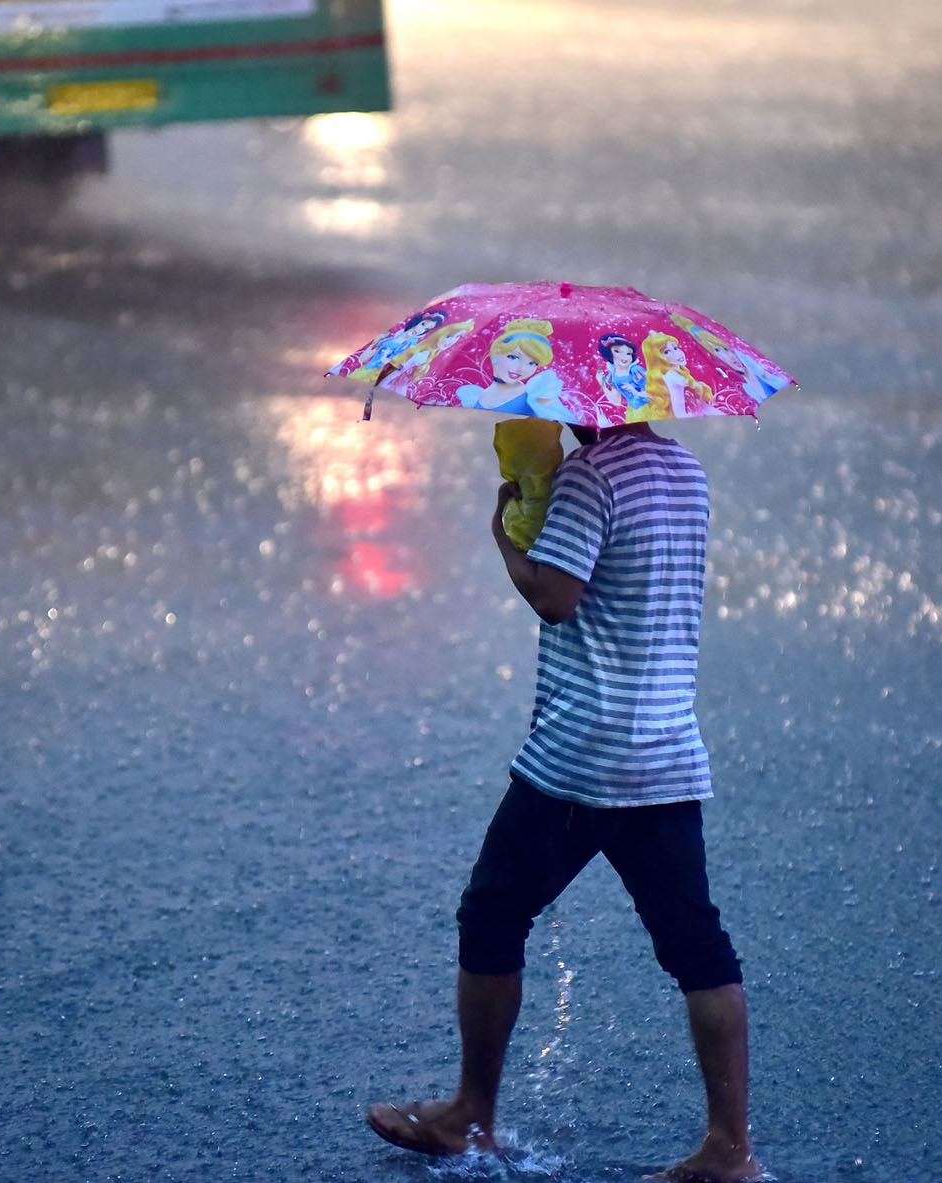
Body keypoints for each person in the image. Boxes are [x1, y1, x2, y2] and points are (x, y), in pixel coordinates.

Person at [367, 420, 764, 1183]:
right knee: (698, 946)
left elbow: (556, 596)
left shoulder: (591, 476)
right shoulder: (685, 470)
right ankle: (731, 1146)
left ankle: (469, 1116)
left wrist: (506, 536)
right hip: (666, 750)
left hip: (584, 752)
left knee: (492, 913)